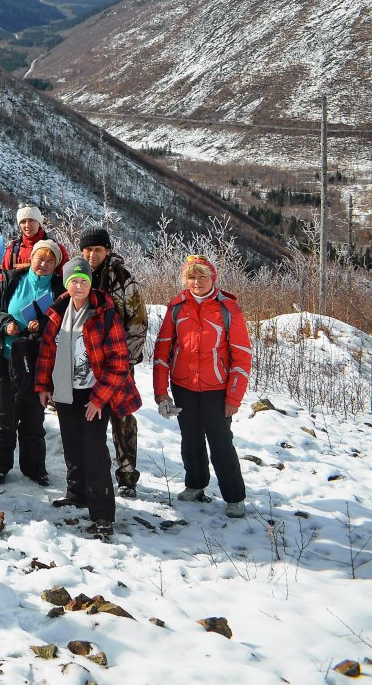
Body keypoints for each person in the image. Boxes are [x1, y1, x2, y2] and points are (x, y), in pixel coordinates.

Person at [35, 259, 142, 541]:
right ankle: (77, 494)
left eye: (83, 280)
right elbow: (47, 351)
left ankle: (103, 514)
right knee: (72, 444)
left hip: (95, 392)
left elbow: (119, 362)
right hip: (66, 390)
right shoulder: (58, 311)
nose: (79, 286)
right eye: (74, 281)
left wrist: (98, 400)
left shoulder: (105, 313)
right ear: (67, 283)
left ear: (90, 283)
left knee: (94, 450)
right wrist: (43, 385)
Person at [152, 254, 252, 518]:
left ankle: (234, 497)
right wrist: (161, 391)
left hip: (216, 389)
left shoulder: (228, 310)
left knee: (221, 442)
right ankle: (195, 485)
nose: (196, 282)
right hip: (183, 386)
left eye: (202, 276)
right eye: (191, 277)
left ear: (212, 278)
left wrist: (234, 397)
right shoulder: (176, 308)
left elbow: (242, 355)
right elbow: (162, 350)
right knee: (190, 439)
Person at [79, 227, 148, 497]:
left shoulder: (122, 279)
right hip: (85, 362)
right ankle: (92, 471)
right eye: (87, 250)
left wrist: (125, 362)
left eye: (97, 249)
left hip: (116, 362)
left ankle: (127, 476)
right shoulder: (78, 275)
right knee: (88, 415)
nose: (92, 254)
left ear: (107, 250)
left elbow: (138, 322)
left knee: (122, 418)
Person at [0, 240, 62, 485]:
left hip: (39, 362)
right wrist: (6, 323)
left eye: (50, 261)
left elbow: (63, 324)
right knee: (3, 416)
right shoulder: (11, 281)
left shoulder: (60, 290)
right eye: (41, 258)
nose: (44, 264)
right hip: (6, 358)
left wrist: (42, 327)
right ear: (32, 258)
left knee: (33, 416)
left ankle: (34, 468)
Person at [1, 204, 70, 284]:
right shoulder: (12, 251)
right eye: (23, 222)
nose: (27, 225)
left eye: (31, 220)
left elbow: (66, 281)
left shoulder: (57, 250)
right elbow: (3, 281)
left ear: (39, 222)